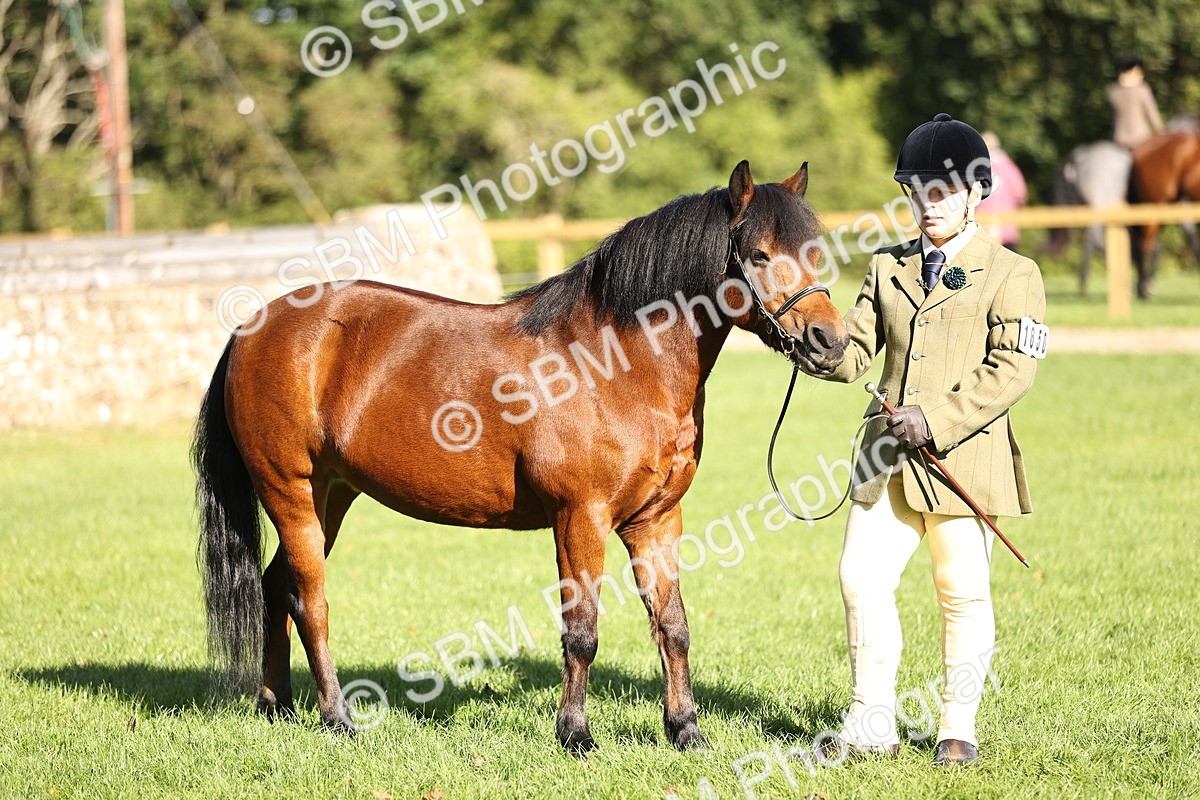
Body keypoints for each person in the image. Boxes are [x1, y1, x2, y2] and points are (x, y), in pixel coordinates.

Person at [803, 113, 1047, 766]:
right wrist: (817, 351)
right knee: (859, 578)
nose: (927, 204)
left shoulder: (1013, 273)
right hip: (886, 459)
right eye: (917, 191)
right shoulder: (887, 268)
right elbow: (857, 351)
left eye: (940, 191)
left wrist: (934, 418)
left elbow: (1012, 370)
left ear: (974, 192)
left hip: (959, 459)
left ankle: (956, 730)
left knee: (961, 589)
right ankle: (869, 723)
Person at [977, 131, 1027, 252]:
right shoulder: (1008, 166)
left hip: (981, 226)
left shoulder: (976, 168)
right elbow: (1020, 194)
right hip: (1006, 225)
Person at [1108, 55, 1163, 150]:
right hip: (1141, 138)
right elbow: (1152, 114)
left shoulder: (1112, 92)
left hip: (1120, 139)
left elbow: (1113, 118)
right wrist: (1161, 132)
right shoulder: (1142, 90)